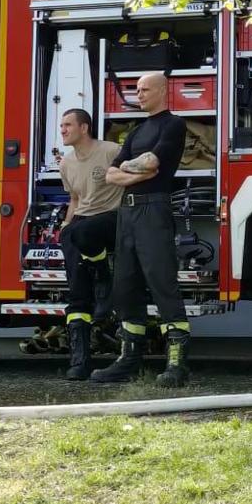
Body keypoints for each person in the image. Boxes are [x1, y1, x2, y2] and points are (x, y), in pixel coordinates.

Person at [90, 73, 192, 387]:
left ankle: (176, 364)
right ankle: (129, 359)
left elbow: (153, 162)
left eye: (145, 88)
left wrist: (134, 168)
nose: (139, 93)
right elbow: (110, 174)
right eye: (136, 89)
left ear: (163, 91)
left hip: (154, 209)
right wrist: (135, 171)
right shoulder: (136, 131)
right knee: (125, 284)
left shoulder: (173, 125)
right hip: (128, 211)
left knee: (162, 282)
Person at [55, 108, 120, 380]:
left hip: (111, 218)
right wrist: (65, 225)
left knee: (82, 232)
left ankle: (104, 275)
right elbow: (75, 201)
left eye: (68, 125)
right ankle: (80, 361)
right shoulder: (66, 164)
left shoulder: (111, 151)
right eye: (61, 126)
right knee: (77, 287)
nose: (62, 130)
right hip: (82, 219)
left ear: (84, 128)